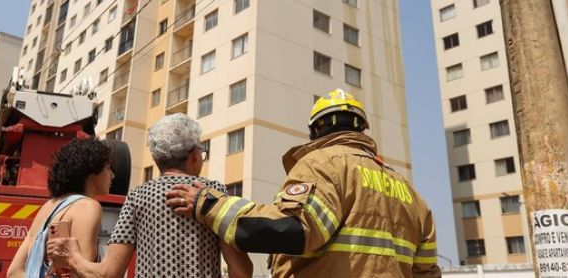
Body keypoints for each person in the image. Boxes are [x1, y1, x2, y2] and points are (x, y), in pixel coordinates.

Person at [166, 89, 441, 278]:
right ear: (362, 129)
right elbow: (427, 273)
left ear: (316, 130)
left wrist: (208, 204)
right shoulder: (411, 194)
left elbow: (292, 230)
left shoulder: (322, 165)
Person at [47, 113, 253, 278]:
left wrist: (73, 256)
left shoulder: (139, 197)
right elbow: (242, 272)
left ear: (157, 159)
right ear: (193, 156)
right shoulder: (213, 194)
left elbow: (109, 273)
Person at [7, 138, 114, 278]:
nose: (112, 175)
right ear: (91, 172)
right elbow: (81, 275)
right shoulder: (88, 207)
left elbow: (14, 272)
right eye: (107, 168)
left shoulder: (49, 206)